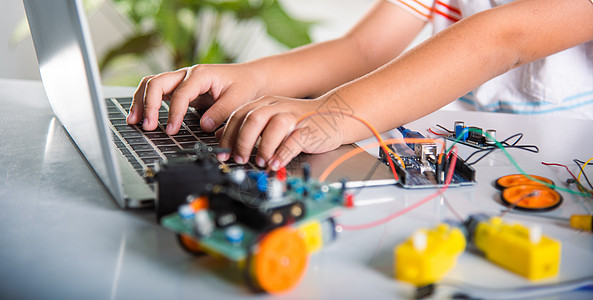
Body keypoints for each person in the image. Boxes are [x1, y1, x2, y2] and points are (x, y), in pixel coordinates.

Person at [127, 0, 593, 171]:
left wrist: (335, 112)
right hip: (467, 163)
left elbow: (506, 37)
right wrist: (253, 77)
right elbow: (365, 49)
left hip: (564, 170)